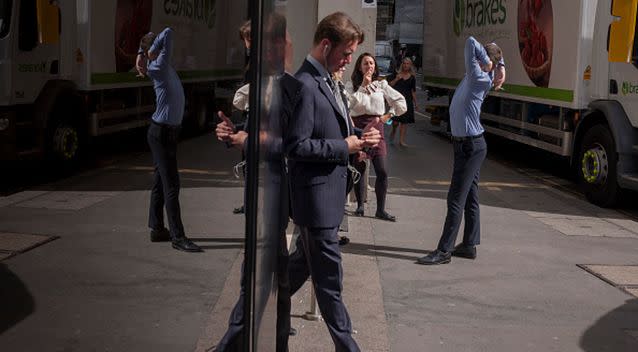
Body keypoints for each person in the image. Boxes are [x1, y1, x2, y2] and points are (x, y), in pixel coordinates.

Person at [285, 12, 381, 352]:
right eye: (346, 53)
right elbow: (295, 145)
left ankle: (246, 328)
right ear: (326, 45)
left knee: (289, 277)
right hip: (316, 204)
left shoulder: (327, 79)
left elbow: (330, 129)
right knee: (330, 285)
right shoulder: (305, 84)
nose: (349, 60)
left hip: (325, 200)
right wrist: (345, 146)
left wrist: (356, 137)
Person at [211, 13, 300, 352]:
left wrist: (245, 140)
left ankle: (229, 345)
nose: (251, 53)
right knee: (274, 275)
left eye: (256, 46)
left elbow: (288, 142)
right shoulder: (257, 81)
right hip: (261, 190)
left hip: (274, 193)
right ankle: (275, 344)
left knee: (257, 277)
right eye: (248, 46)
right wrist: (229, 133)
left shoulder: (289, 87)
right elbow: (251, 131)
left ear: (278, 44)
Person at [416, 36, 505, 265]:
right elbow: (481, 48)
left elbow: (470, 42)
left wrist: (489, 62)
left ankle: (444, 250)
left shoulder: (479, 77)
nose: (477, 59)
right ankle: (468, 244)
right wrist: (499, 64)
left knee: (455, 198)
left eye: (483, 57)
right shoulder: (478, 75)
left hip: (470, 145)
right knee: (470, 197)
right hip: (467, 144)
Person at [135, 28, 202, 252]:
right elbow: (169, 32)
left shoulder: (160, 65)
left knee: (159, 182)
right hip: (162, 133)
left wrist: (141, 52)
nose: (163, 49)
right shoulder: (159, 66)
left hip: (164, 132)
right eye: (157, 47)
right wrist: (149, 52)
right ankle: (178, 236)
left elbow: (159, 34)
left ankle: (157, 228)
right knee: (171, 184)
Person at [348, 52, 407, 222]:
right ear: (360, 67)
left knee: (382, 171)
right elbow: (347, 105)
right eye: (365, 63)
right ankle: (360, 205)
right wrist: (362, 87)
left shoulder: (381, 85)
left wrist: (387, 116)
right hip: (358, 129)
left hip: (377, 128)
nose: (369, 66)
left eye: (371, 63)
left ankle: (380, 210)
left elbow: (401, 103)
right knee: (359, 168)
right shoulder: (351, 85)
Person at [389, 57, 417, 147]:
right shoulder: (397, 74)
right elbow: (389, 86)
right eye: (404, 63)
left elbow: (413, 91)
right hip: (397, 101)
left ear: (410, 66)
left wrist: (415, 103)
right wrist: (397, 79)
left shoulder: (412, 78)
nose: (406, 65)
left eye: (408, 64)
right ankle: (393, 131)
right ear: (402, 64)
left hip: (407, 101)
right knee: (395, 122)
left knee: (404, 122)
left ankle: (401, 141)